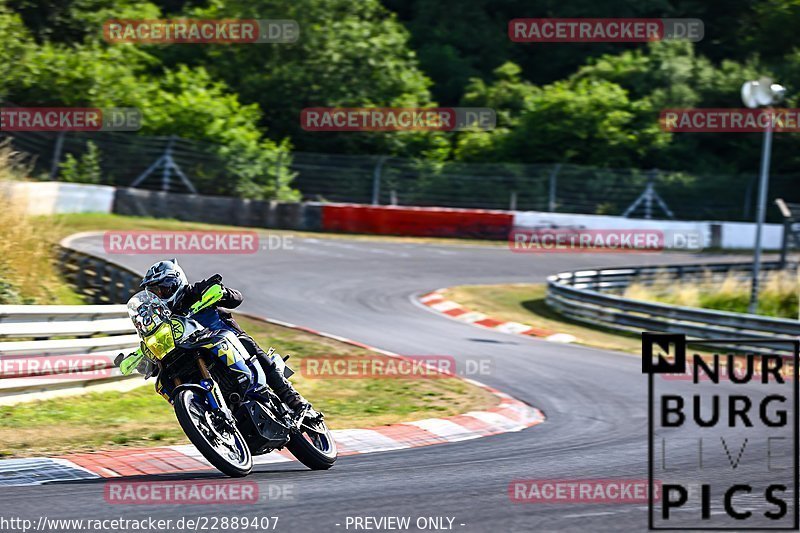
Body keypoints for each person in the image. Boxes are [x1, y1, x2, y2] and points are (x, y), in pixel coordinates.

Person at [138, 259, 313, 415]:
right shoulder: (163, 317)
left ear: (176, 283)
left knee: (249, 346)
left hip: (227, 337)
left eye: (162, 289)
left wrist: (223, 292)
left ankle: (290, 397)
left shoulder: (196, 291)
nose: (159, 295)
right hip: (192, 350)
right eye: (154, 292)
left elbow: (237, 298)